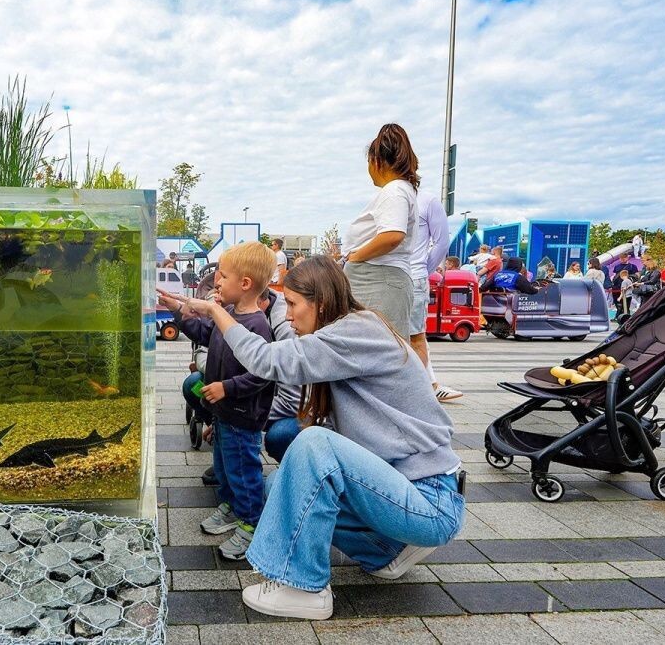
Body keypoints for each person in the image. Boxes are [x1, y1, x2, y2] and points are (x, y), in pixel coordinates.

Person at [178, 256, 464, 621]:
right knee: (279, 485)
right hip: (405, 488)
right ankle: (384, 550)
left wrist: (215, 312)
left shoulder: (357, 331)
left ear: (322, 303)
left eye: (293, 304)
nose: (288, 316)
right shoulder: (349, 331)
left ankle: (305, 587)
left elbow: (266, 360)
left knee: (314, 443)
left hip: (430, 500)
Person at [165, 242, 277, 561]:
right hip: (224, 414)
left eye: (223, 276)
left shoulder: (258, 325)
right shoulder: (227, 314)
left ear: (245, 283)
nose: (216, 281)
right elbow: (204, 333)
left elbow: (263, 374)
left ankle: (251, 523)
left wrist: (227, 387)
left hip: (243, 417)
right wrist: (177, 311)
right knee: (225, 467)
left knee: (244, 470)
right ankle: (230, 506)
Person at [200, 287, 303, 486]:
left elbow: (283, 392)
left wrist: (243, 412)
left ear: (246, 286)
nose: (219, 286)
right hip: (234, 402)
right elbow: (205, 343)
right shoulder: (231, 312)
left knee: (250, 468)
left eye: (225, 278)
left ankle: (295, 477)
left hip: (260, 408)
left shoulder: (270, 325)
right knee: (193, 386)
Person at [344, 124, 420, 338]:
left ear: (376, 161)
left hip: (378, 279)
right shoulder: (401, 190)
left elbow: (392, 235)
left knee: (380, 345)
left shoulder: (394, 191)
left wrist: (355, 257)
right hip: (380, 278)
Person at [409, 189, 463, 402]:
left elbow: (441, 243)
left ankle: (425, 390)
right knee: (410, 336)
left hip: (413, 277)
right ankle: (429, 386)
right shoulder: (387, 198)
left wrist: (422, 271)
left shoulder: (427, 201)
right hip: (395, 277)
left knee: (415, 336)